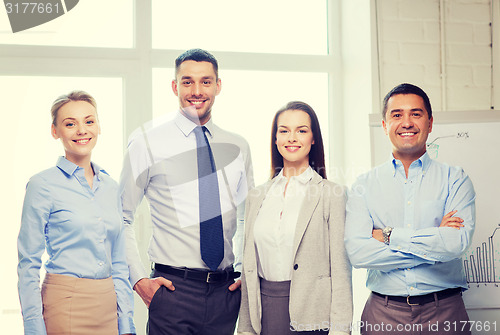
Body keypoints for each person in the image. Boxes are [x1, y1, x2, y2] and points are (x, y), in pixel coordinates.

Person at [120, 48, 254, 335]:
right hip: (172, 293)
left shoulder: (239, 146)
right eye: (187, 81)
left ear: (218, 85)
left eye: (206, 81)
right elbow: (122, 216)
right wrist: (139, 280)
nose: (197, 90)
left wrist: (245, 270)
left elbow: (247, 218)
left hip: (225, 293)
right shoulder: (146, 143)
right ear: (174, 86)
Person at [344, 83, 476, 335]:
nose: (407, 122)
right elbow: (359, 254)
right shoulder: (364, 185)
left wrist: (388, 235)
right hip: (383, 314)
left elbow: (455, 244)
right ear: (384, 125)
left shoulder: (456, 179)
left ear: (430, 122)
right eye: (397, 115)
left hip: (445, 312)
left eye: (416, 114)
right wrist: (433, 241)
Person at [17, 91, 136, 335]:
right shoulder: (42, 185)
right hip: (65, 303)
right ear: (55, 131)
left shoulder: (111, 187)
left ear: (99, 126)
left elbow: (119, 262)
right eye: (70, 124)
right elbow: (28, 262)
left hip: (108, 306)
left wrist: (126, 323)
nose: (82, 130)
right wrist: (33, 329)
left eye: (89, 121)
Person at [238, 101, 353, 335]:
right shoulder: (256, 196)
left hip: (314, 315)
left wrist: (341, 330)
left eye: (301, 130)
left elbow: (341, 271)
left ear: (313, 139)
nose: (292, 138)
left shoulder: (331, 194)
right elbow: (248, 268)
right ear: (275, 139)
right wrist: (246, 329)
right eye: (284, 131)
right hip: (264, 313)